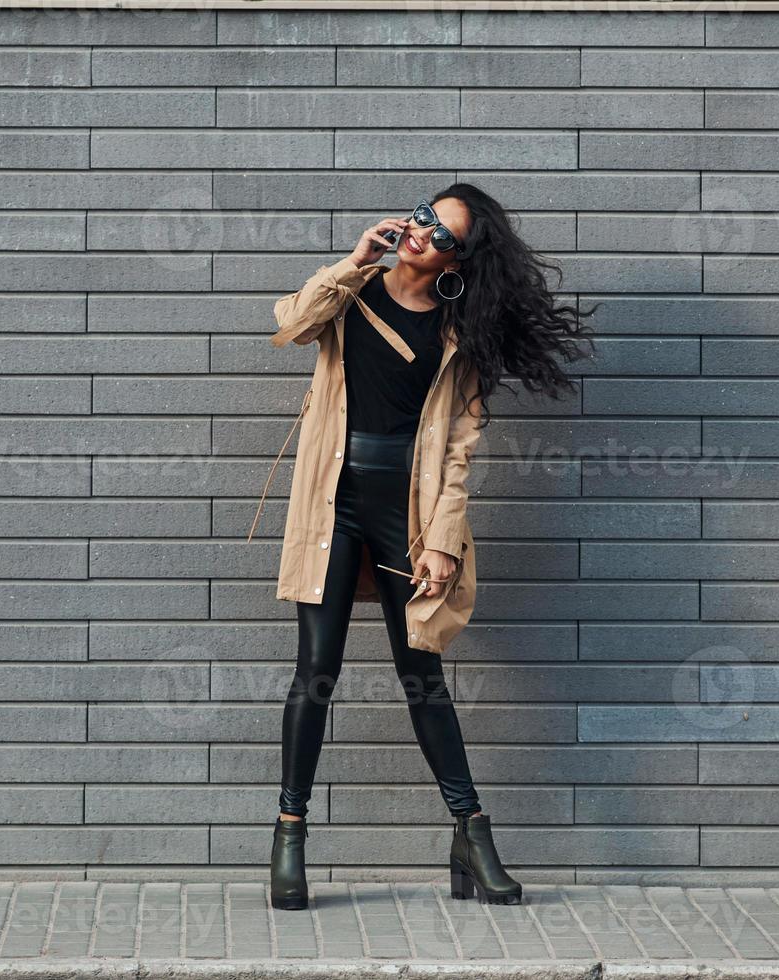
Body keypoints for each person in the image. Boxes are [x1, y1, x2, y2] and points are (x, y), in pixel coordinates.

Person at [255, 184, 598, 911]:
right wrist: (353, 260)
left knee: (422, 677)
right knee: (315, 671)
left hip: (404, 515)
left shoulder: (459, 332)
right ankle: (289, 835)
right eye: (420, 218)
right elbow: (290, 323)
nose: (420, 235)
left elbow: (457, 452)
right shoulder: (352, 294)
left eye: (440, 235)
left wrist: (442, 540)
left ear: (459, 257)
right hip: (332, 504)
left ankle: (470, 832)